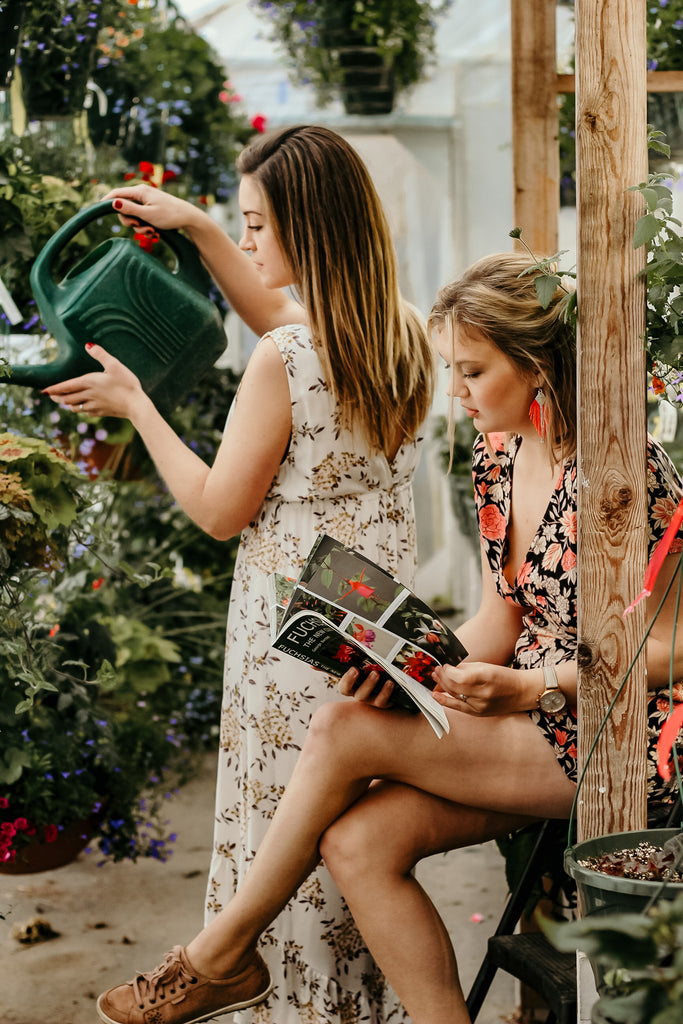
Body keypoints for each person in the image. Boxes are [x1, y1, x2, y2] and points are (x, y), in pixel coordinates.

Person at [91, 250, 683, 1024]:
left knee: (339, 728)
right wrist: (414, 666)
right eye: (451, 370)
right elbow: (499, 621)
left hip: (622, 739)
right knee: (357, 844)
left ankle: (218, 957)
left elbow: (670, 650)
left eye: (472, 371)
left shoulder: (623, 474)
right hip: (528, 720)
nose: (456, 392)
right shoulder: (497, 457)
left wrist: (538, 686)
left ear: (536, 365)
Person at [43, 125, 436, 1024]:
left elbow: (220, 511)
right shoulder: (405, 335)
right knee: (340, 847)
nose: (247, 241)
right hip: (371, 631)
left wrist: (136, 405)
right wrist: (201, 228)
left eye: (256, 226)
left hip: (287, 633)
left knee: (274, 836)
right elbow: (286, 326)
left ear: (305, 227)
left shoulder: (284, 360)